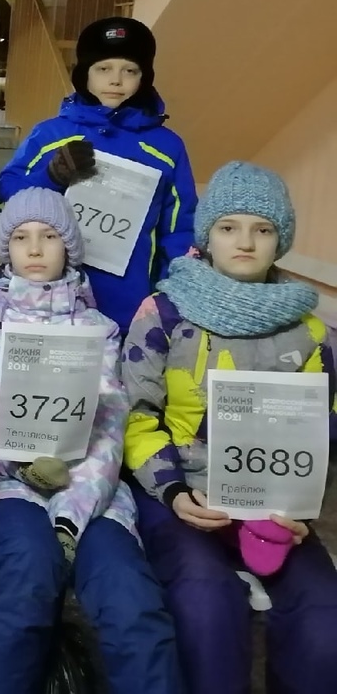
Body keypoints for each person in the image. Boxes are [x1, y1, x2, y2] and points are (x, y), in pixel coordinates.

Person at [123, 161, 337, 694]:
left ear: (281, 239)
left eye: (262, 229)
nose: (245, 241)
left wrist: (299, 507)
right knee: (207, 601)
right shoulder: (163, 313)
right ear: (207, 236)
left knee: (324, 616)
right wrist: (174, 492)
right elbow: (136, 415)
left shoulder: (313, 332)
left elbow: (324, 432)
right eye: (228, 227)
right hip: (182, 495)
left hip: (273, 505)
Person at [0, 187, 184, 694]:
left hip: (92, 490)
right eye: (21, 237)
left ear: (69, 247)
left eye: (49, 236)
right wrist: (20, 468)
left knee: (130, 597)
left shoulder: (99, 330)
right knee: (24, 577)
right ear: (6, 248)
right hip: (6, 486)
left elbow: (110, 427)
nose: (35, 249)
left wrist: (70, 514)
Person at [0, 16, 197, 331]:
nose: (116, 80)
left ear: (144, 77)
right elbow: (6, 197)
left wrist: (169, 294)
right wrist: (51, 178)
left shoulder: (166, 147)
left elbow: (179, 229)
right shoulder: (51, 135)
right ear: (84, 74)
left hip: (132, 308)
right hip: (49, 306)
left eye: (129, 70)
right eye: (103, 69)